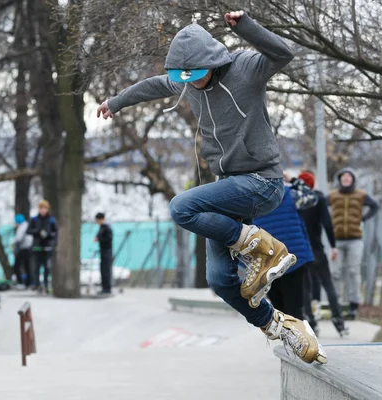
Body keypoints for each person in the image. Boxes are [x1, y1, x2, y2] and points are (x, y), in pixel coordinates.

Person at [97, 10, 326, 364]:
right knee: (219, 279)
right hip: (230, 186)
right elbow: (154, 86)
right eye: (188, 79)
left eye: (200, 75)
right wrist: (115, 103)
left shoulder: (245, 68)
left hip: (262, 181)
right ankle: (281, 325)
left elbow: (283, 54)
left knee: (181, 207)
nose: (196, 84)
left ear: (213, 62)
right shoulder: (186, 82)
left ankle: (260, 246)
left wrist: (247, 26)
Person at [254, 173, 321, 334]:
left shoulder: (251, 201)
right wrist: (292, 180)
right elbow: (312, 196)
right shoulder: (290, 195)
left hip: (267, 260)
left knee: (279, 308)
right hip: (294, 258)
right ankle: (301, 343)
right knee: (295, 306)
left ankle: (292, 343)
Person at [297, 171, 348, 336]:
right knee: (328, 284)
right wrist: (333, 246)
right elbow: (327, 223)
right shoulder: (318, 199)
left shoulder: (295, 200)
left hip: (302, 249)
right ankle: (339, 323)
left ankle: (311, 323)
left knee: (305, 287)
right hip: (317, 249)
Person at [328, 168, 379, 320]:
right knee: (335, 272)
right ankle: (335, 304)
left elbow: (375, 206)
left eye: (349, 177)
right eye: (343, 177)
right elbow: (320, 206)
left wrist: (363, 218)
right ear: (340, 179)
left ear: (353, 180)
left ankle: (353, 305)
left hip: (355, 239)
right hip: (337, 240)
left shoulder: (361, 195)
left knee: (353, 272)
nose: (346, 179)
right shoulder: (332, 195)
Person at [28, 200, 57, 294]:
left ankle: (45, 284)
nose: (43, 210)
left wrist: (50, 237)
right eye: (41, 208)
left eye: (45, 208)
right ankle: (36, 284)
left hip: (47, 246)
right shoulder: (34, 219)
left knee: (46, 267)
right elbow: (29, 231)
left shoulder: (51, 220)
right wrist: (37, 231)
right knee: (36, 266)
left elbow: (55, 232)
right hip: (37, 246)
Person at [94, 213, 114, 295]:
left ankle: (107, 288)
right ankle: (104, 287)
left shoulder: (107, 228)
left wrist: (99, 239)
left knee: (106, 270)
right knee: (102, 269)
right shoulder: (101, 228)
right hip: (102, 250)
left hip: (107, 250)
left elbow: (108, 239)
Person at [12, 214, 33, 286]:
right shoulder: (27, 225)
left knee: (16, 266)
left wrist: (13, 243)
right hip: (28, 248)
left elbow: (18, 238)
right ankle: (28, 283)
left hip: (24, 248)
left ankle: (20, 282)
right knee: (27, 266)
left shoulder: (22, 227)